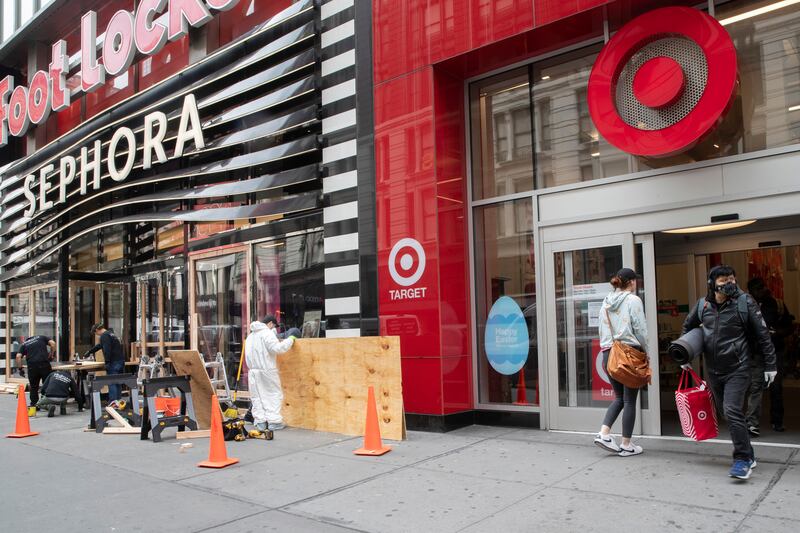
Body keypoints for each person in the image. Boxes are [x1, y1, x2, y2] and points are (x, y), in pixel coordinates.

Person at [682, 265, 777, 480]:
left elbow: (763, 334)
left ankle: (742, 460)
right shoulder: (702, 305)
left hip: (739, 368)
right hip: (714, 370)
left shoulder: (745, 302)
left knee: (732, 410)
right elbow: (687, 328)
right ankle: (749, 455)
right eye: (724, 281)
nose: (729, 284)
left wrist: (771, 365)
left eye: (732, 279)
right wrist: (684, 356)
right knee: (727, 413)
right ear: (712, 283)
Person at [594, 268, 649, 457]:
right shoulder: (633, 300)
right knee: (629, 400)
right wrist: (646, 351)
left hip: (608, 354)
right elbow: (640, 329)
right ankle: (626, 444)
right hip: (628, 355)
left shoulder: (606, 302)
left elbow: (601, 330)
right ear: (632, 282)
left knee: (619, 398)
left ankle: (604, 433)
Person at [745, 277, 792, 435]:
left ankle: (777, 421)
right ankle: (752, 424)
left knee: (776, 388)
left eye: (762, 287)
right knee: (755, 387)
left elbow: (789, 327)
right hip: (756, 353)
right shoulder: (746, 305)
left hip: (775, 351)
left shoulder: (777, 304)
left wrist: (777, 333)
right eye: (757, 289)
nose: (761, 290)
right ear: (750, 291)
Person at [245, 314, 296, 432]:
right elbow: (277, 348)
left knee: (257, 397)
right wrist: (291, 339)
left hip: (253, 371)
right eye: (274, 326)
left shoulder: (250, 336)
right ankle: (274, 422)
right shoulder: (267, 333)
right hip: (267, 370)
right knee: (273, 395)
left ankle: (260, 422)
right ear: (271, 324)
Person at [85, 323, 125, 406]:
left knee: (112, 382)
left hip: (113, 362)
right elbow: (100, 346)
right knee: (118, 381)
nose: (97, 335)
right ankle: (118, 401)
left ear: (97, 330)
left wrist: (107, 362)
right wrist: (90, 351)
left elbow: (107, 349)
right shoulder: (111, 334)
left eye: (95, 333)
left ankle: (113, 402)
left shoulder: (104, 336)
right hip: (120, 361)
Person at [16, 335, 56, 409]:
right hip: (44, 364)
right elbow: (53, 343)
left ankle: (34, 405)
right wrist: (51, 354)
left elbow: (18, 356)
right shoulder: (41, 337)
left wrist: (20, 369)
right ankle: (46, 403)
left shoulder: (24, 344)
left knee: (34, 387)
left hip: (32, 367)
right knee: (47, 385)